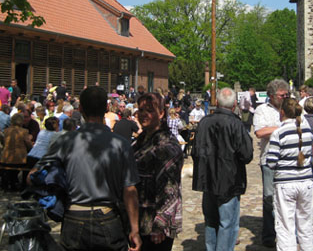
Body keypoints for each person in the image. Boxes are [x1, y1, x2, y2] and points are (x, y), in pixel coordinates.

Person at [29, 86, 142, 251]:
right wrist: (134, 229)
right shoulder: (121, 144)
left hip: (74, 216)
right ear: (106, 108)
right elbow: (130, 189)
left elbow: (33, 176)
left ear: (80, 108)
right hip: (108, 216)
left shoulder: (64, 141)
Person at [192, 87, 253, 251]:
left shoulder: (204, 122)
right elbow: (247, 154)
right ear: (234, 105)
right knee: (228, 223)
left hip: (209, 179)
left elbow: (195, 151)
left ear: (217, 102)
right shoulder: (236, 124)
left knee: (211, 221)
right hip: (229, 181)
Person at [133, 93, 183, 251]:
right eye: (141, 110)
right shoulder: (140, 141)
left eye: (149, 110)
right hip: (139, 218)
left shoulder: (166, 145)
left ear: (161, 113)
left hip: (155, 223)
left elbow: (170, 189)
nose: (143, 114)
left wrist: (160, 224)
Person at [266, 98, 313, 251]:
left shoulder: (279, 133)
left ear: (282, 112)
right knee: (306, 224)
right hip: (306, 182)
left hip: (285, 183)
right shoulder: (307, 131)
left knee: (285, 226)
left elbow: (271, 162)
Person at [253, 78, 289, 248]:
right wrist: (284, 127)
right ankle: (268, 235)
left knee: (287, 199)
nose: (285, 97)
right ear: (272, 96)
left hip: (288, 160)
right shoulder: (262, 110)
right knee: (269, 199)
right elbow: (260, 132)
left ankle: (286, 233)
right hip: (268, 160)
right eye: (282, 95)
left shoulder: (291, 108)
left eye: (286, 94)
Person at [0, 113, 33, 190]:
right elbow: (28, 144)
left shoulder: (6, 131)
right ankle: (23, 185)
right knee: (29, 164)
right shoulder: (24, 131)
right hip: (20, 159)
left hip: (6, 158)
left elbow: (3, 143)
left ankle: (7, 184)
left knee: (9, 168)